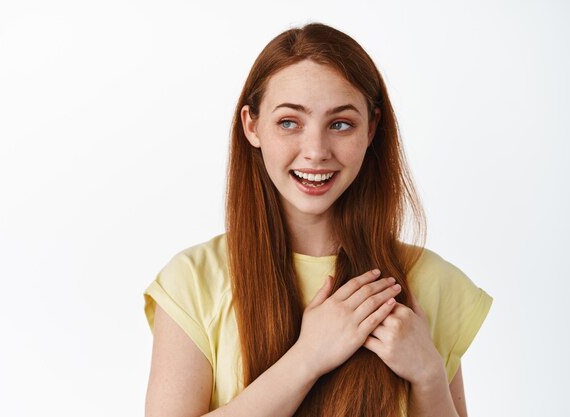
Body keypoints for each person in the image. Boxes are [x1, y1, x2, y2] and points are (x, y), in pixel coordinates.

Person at [143, 22, 492, 417]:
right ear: (252, 126)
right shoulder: (193, 281)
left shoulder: (430, 282)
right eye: (289, 122)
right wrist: (307, 357)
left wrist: (428, 375)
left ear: (371, 128)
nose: (315, 151)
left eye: (340, 124)